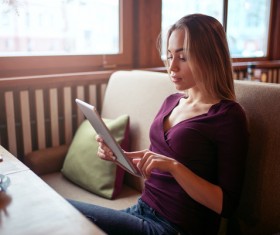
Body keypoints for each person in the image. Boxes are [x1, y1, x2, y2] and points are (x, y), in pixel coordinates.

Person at [68, 14, 249, 235]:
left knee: (66, 211)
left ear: (209, 57)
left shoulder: (228, 116)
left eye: (183, 57)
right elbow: (153, 165)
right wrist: (120, 156)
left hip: (175, 228)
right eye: (170, 55)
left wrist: (174, 166)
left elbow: (226, 205)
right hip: (141, 210)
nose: (172, 67)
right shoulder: (172, 102)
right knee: (60, 212)